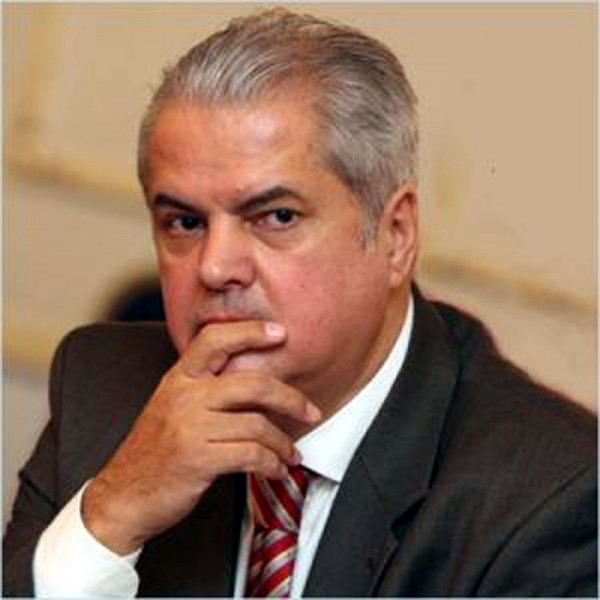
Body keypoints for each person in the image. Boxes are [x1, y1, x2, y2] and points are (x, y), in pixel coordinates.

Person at [3, 8, 596, 598]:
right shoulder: (103, 393)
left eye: (277, 216)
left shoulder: (550, 499)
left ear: (395, 236)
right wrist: (111, 517)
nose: (215, 267)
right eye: (184, 222)